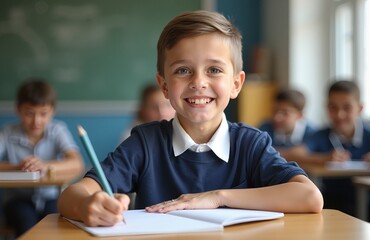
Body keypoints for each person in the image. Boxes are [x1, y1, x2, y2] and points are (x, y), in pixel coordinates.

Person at [57, 10, 323, 227]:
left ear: (236, 84)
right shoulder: (145, 143)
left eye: (214, 70)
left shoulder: (250, 144)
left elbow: (309, 197)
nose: (198, 82)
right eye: (183, 70)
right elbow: (71, 195)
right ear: (163, 86)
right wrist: (87, 206)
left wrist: (218, 198)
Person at [289, 80, 370, 225]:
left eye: (347, 107)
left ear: (360, 108)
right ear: (326, 107)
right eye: (333, 107)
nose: (339, 114)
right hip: (333, 208)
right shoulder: (320, 136)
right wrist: (324, 158)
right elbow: (294, 153)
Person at [0, 78, 84, 237]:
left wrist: (45, 165)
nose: (36, 121)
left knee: (55, 227)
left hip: (51, 198)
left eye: (43, 114)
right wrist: (18, 167)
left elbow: (76, 163)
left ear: (52, 111)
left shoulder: (58, 130)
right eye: (29, 113)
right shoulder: (6, 132)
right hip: (18, 200)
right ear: (18, 109)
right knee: (27, 225)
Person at [258, 89, 316, 160]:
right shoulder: (264, 128)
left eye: (285, 113)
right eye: (275, 111)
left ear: (300, 115)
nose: (277, 117)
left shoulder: (313, 134)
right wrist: (293, 154)